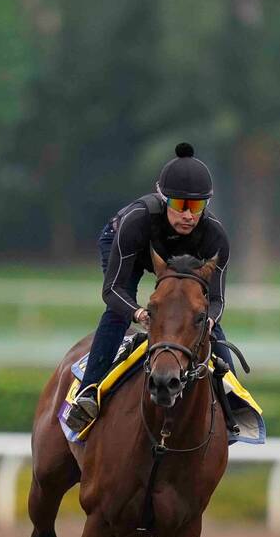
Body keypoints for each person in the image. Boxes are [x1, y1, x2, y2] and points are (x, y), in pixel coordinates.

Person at [64, 142, 233, 435]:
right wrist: (139, 312)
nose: (189, 216)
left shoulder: (214, 236)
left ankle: (231, 401)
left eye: (197, 207)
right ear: (163, 199)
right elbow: (113, 290)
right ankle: (89, 392)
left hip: (178, 259)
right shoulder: (135, 222)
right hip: (128, 246)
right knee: (118, 314)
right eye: (180, 206)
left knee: (201, 320)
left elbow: (216, 300)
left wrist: (208, 320)